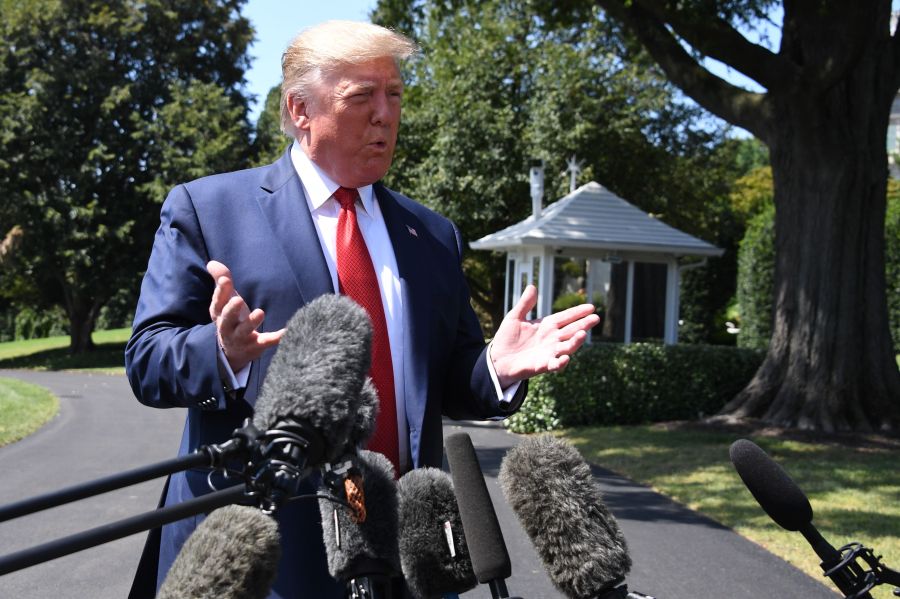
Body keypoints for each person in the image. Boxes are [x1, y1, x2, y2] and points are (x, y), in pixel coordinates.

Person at [125, 20, 599, 599]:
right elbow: (148, 361)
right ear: (301, 109)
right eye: (361, 97)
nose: (385, 114)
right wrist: (222, 354)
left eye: (394, 94)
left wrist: (496, 369)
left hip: (405, 549)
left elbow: (449, 380)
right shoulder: (208, 209)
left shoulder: (431, 234)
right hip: (267, 553)